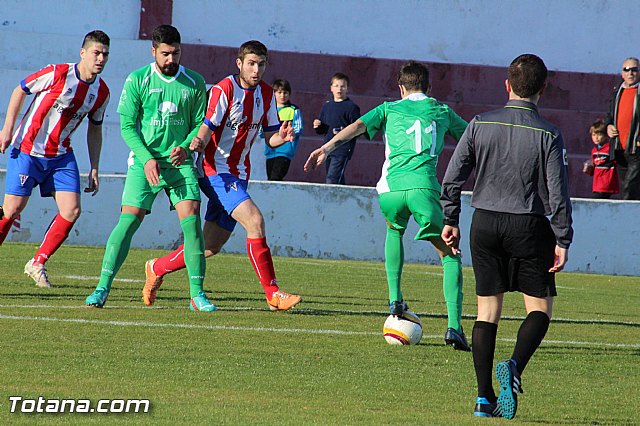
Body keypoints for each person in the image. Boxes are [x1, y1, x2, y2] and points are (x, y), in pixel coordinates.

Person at [440, 54, 573, 419]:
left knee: (487, 311)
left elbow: (452, 177)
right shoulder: (549, 133)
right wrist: (563, 238)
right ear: (543, 89)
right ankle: (514, 365)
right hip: (529, 226)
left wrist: (450, 217)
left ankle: (484, 398)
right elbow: (557, 193)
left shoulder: (480, 124)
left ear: (507, 85)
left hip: (484, 223)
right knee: (540, 310)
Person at [305, 61, 470, 351]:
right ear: (429, 88)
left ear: (401, 88)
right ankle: (454, 328)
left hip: (391, 191)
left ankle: (395, 298)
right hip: (424, 190)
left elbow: (357, 126)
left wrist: (326, 147)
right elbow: (473, 140)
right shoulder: (441, 111)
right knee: (449, 254)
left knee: (394, 232)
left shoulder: (388, 108)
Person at [141, 40, 302, 311]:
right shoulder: (224, 89)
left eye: (261, 64)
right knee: (255, 220)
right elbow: (206, 126)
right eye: (251, 63)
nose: (256, 69)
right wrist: (197, 143)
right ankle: (273, 293)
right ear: (239, 63)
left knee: (209, 247)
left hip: (239, 175)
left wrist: (281, 138)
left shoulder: (265, 93)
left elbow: (270, 137)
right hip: (214, 172)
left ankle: (156, 267)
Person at [85, 25, 215, 311]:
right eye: (166, 54)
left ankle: (197, 294)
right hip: (145, 163)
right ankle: (102, 288)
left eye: (176, 53)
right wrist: (147, 158)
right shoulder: (137, 80)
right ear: (153, 51)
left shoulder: (194, 82)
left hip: (179, 164)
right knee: (129, 221)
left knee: (192, 220)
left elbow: (199, 124)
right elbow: (128, 127)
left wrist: (185, 145)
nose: (171, 59)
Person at [0, 30, 111, 288]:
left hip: (60, 156)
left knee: (71, 210)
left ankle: (37, 262)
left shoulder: (101, 92)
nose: (101, 59)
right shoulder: (58, 73)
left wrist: (95, 166)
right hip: (27, 149)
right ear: (83, 53)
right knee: (11, 210)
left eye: (105, 54)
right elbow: (21, 89)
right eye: (96, 53)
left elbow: (95, 127)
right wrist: (7, 128)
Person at [312, 73, 360, 184]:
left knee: (332, 178)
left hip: (343, 148)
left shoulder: (351, 107)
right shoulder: (327, 106)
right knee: (337, 178)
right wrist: (318, 125)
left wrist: (344, 131)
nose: (339, 89)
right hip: (328, 147)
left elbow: (357, 129)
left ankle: (329, 200)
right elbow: (322, 130)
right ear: (331, 88)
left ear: (347, 88)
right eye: (336, 86)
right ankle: (343, 200)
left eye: (343, 86)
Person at [605, 57, 640, 200]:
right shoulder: (617, 91)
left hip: (636, 147)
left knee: (629, 186)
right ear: (622, 73)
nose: (630, 73)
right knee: (629, 187)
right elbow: (609, 115)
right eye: (627, 69)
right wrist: (608, 126)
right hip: (619, 147)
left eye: (634, 69)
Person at [264, 79, 303, 181]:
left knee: (275, 177)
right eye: (279, 92)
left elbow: (298, 128)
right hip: (270, 151)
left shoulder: (293, 110)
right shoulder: (269, 110)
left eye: (285, 92)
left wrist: (290, 132)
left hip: (285, 151)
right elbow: (262, 130)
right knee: (271, 179)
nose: (282, 95)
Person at [583, 118, 619, 198]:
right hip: (597, 185)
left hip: (607, 184)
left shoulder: (610, 148)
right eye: (594, 135)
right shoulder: (594, 150)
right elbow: (594, 167)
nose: (596, 138)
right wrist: (589, 169)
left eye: (599, 135)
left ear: (606, 135)